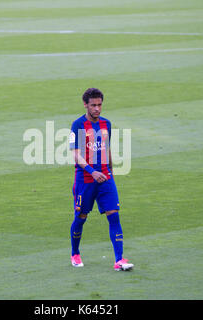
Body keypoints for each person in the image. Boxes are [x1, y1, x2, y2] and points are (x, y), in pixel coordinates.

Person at [68, 88, 134, 271]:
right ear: (85, 105)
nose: (97, 109)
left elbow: (107, 148)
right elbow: (76, 155)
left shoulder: (106, 124)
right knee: (81, 217)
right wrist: (92, 171)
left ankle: (119, 260)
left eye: (99, 105)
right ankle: (75, 253)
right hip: (85, 180)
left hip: (105, 178)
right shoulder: (78, 125)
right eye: (93, 105)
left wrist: (111, 172)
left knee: (114, 215)